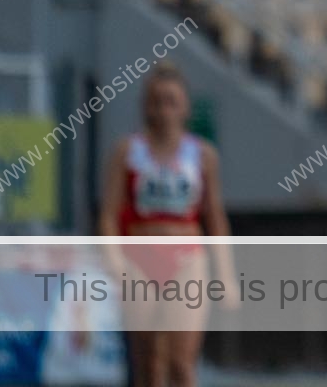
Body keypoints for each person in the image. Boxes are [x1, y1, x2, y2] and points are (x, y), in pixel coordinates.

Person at [98, 64, 231, 387]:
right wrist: (113, 258)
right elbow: (110, 213)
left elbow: (214, 215)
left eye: (171, 101)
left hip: (186, 259)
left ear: (184, 106)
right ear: (146, 106)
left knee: (181, 362)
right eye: (156, 101)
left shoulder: (202, 155)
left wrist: (225, 273)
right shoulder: (128, 151)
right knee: (148, 363)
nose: (163, 109)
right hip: (139, 261)